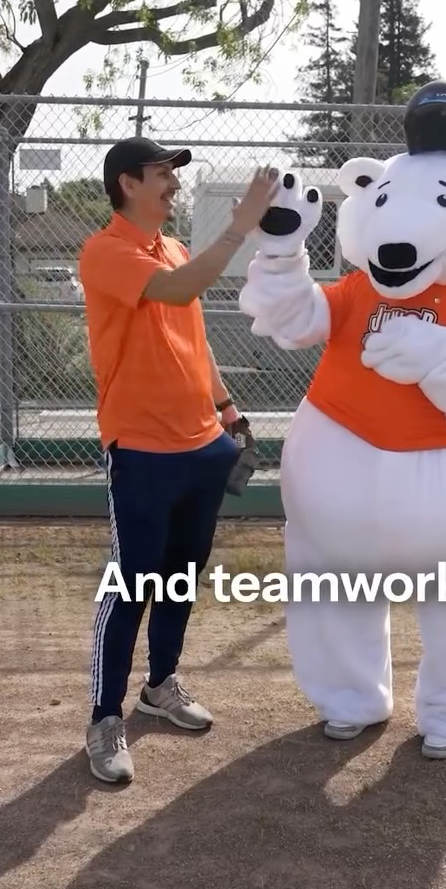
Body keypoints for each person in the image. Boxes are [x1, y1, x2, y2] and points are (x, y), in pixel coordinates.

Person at [78, 137, 278, 784]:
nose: (172, 182)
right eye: (162, 172)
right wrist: (239, 229)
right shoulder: (103, 251)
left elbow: (192, 334)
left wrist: (228, 410)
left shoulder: (175, 247)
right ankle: (105, 718)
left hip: (202, 447)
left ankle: (159, 686)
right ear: (127, 183)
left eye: (172, 172)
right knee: (132, 583)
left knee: (179, 579)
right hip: (140, 449)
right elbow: (177, 291)